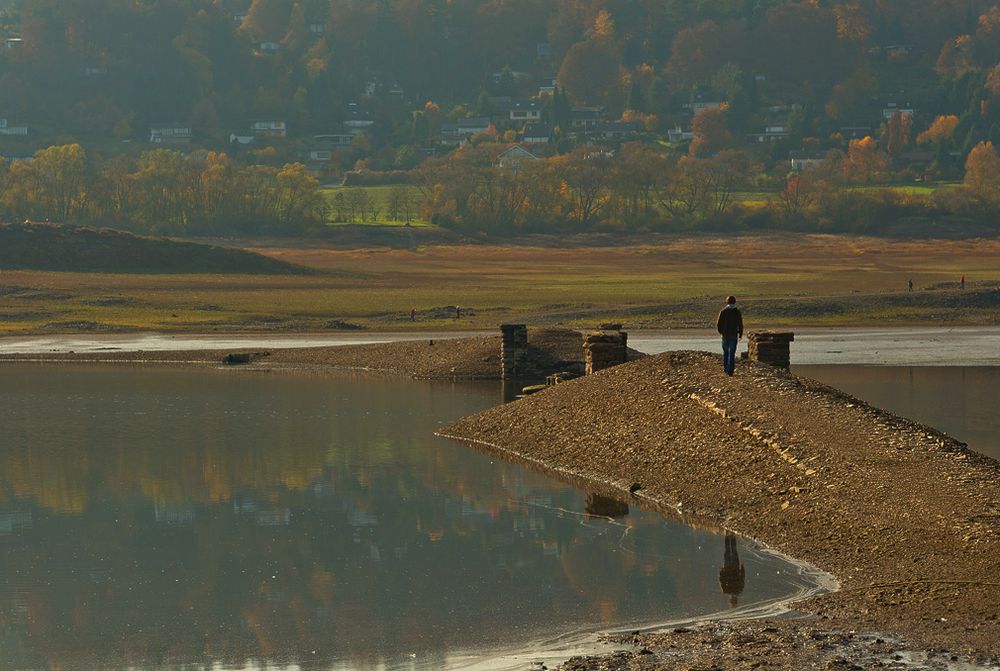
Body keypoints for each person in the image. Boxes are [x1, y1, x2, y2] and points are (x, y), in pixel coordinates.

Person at [716, 295, 743, 376]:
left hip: (725, 335)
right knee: (732, 354)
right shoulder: (737, 312)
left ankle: (725, 369)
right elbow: (740, 324)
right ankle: (730, 371)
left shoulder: (723, 311)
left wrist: (721, 332)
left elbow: (718, 324)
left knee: (725, 353)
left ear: (727, 302)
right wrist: (740, 334)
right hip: (733, 334)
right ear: (734, 302)